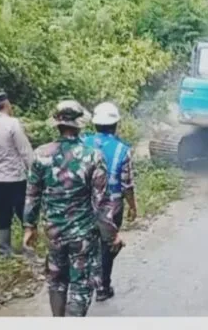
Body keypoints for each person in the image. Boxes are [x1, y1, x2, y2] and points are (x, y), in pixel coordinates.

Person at [23, 99, 121, 317]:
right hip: (83, 235)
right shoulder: (93, 156)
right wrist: (111, 235)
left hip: (54, 233)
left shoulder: (41, 154)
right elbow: (101, 203)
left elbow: (32, 194)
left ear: (57, 124)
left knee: (56, 280)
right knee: (80, 284)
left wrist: (29, 226)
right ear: (80, 124)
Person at [83, 102, 137, 302]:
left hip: (84, 205)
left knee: (87, 242)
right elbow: (127, 184)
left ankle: (86, 279)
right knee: (110, 244)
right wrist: (132, 206)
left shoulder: (82, 142)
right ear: (116, 124)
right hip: (112, 207)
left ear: (95, 124)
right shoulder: (122, 150)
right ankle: (103, 286)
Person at [0, 91, 35, 257]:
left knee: (2, 213)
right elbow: (25, 151)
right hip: (16, 177)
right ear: (6, 105)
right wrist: (34, 172)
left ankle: (4, 250)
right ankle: (28, 247)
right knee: (24, 212)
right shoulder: (13, 124)